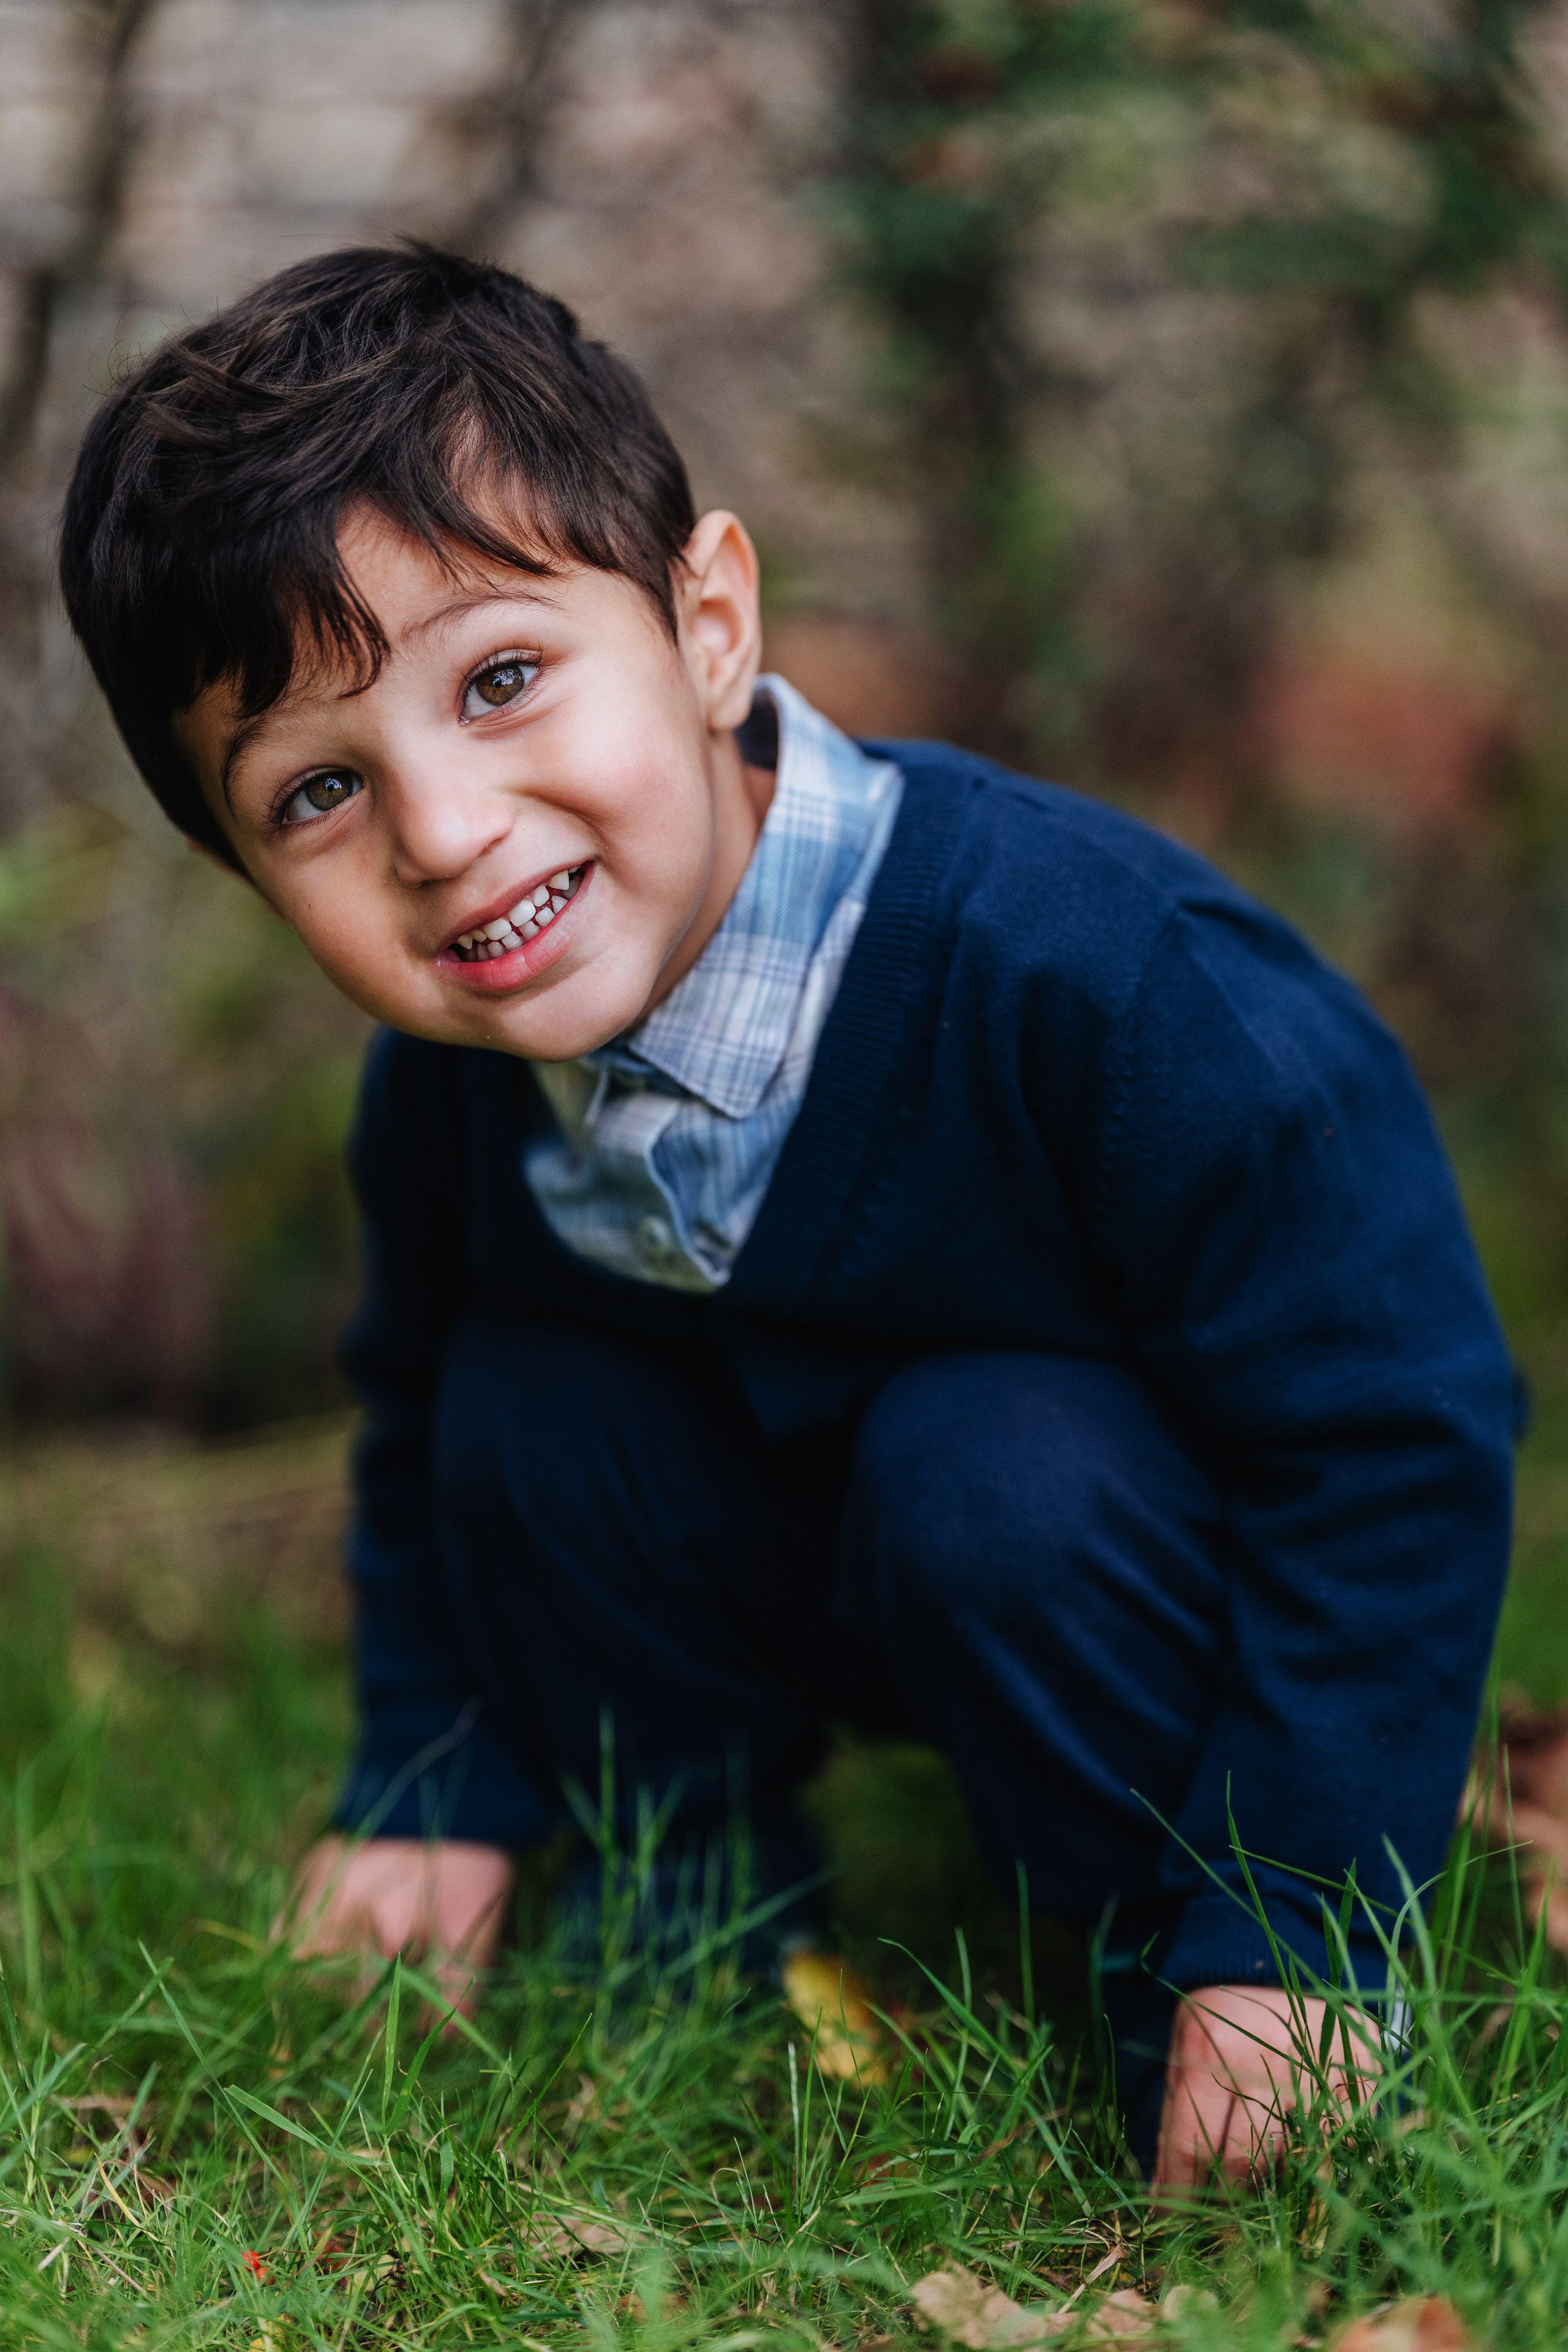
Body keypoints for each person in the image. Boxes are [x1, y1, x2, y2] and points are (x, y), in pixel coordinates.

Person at [58, 244, 1516, 2191]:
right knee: (517, 1402)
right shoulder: (450, 1085)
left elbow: (1390, 1437)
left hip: (1094, 1565)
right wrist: (431, 1780)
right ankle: (697, 1914)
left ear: (709, 628)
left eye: (503, 680)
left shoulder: (1104, 984)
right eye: (317, 790)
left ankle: (1174, 1962)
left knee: (989, 1459)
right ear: (242, 871)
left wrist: (1303, 1924)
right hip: (790, 1556)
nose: (444, 832)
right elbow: (414, 1439)